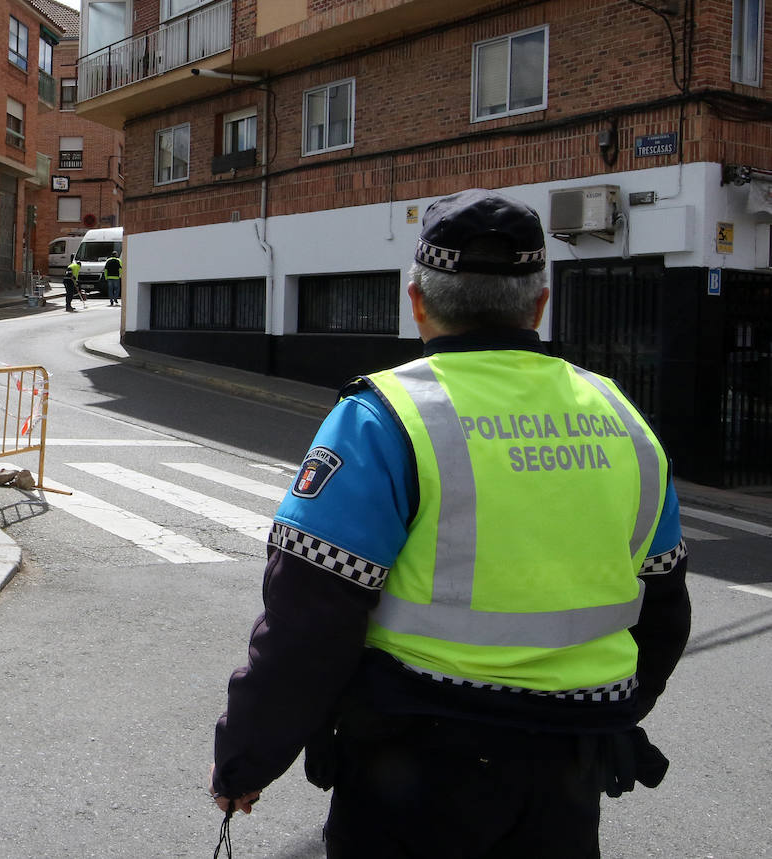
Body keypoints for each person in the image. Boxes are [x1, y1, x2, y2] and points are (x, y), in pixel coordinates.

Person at [209, 188, 691, 858]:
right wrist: (597, 716)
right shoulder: (623, 419)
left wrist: (246, 759)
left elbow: (308, 621)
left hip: (412, 773)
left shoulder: (384, 418)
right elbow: (664, 608)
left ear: (418, 302)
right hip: (566, 777)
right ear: (539, 304)